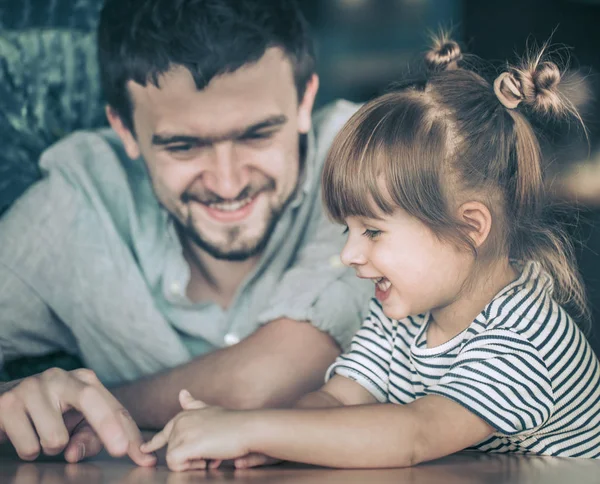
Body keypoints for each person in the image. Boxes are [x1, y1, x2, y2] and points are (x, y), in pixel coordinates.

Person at [140, 36, 600, 471]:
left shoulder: (527, 340)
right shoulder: (402, 311)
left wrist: (249, 427)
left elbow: (414, 434)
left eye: (373, 231)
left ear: (470, 227)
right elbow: (338, 401)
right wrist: (262, 444)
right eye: (348, 229)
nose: (349, 254)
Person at [0, 0, 371, 466]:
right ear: (124, 128)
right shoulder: (73, 206)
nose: (228, 182)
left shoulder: (367, 161)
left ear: (304, 102)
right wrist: (14, 399)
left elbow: (270, 378)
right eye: (183, 145)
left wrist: (95, 409)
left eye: (257, 135)